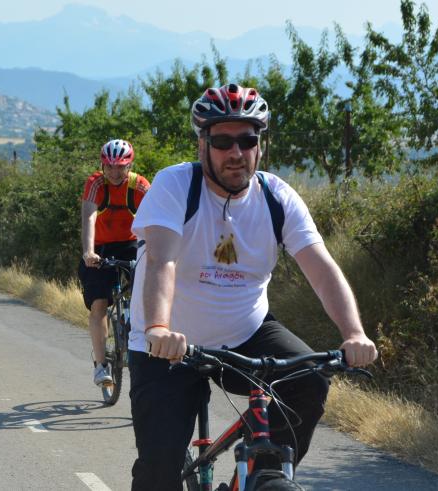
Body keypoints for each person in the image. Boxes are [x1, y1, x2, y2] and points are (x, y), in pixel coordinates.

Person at [127, 84, 378, 489]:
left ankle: (264, 475)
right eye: (223, 141)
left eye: (247, 140)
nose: (236, 152)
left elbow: (321, 267)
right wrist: (157, 327)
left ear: (259, 145)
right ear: (202, 145)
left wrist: (354, 334)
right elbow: (161, 259)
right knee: (158, 473)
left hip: (246, 334)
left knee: (310, 379)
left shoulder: (277, 196)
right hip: (167, 345)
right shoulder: (175, 186)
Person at [79, 139, 151, 386]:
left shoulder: (140, 186)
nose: (114, 172)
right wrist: (89, 252)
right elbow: (89, 217)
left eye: (121, 167)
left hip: (131, 244)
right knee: (98, 303)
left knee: (149, 291)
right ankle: (101, 366)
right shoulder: (96, 183)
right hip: (99, 247)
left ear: (130, 165)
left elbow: (156, 220)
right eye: (109, 167)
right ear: (102, 165)